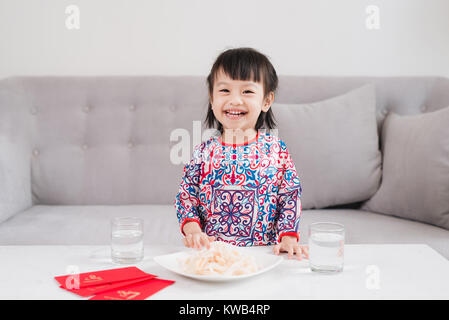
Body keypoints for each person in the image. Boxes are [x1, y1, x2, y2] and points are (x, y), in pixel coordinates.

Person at [174, 47, 308, 260]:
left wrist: (288, 237)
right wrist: (192, 230)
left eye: (247, 91)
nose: (235, 100)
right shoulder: (203, 152)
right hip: (213, 255)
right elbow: (186, 196)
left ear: (266, 100)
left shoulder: (276, 150)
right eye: (225, 91)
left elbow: (290, 196)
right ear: (212, 98)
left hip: (263, 256)